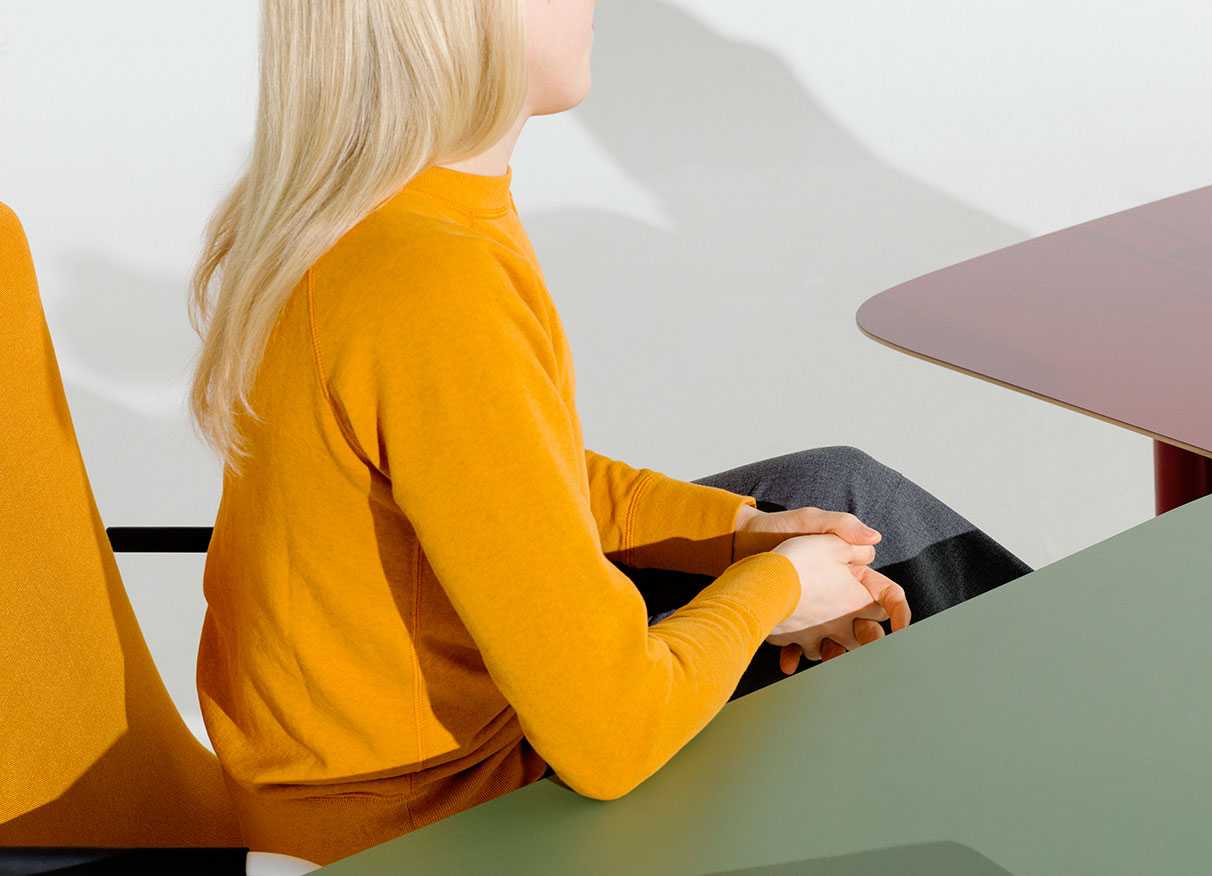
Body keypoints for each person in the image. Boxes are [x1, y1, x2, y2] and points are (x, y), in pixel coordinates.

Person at [187, 1, 1033, 865]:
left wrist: (743, 536)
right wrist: (778, 590)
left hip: (434, 758)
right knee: (899, 606)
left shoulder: (406, 214)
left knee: (834, 494)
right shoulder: (428, 283)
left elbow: (510, 474)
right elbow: (609, 737)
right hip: (435, 822)